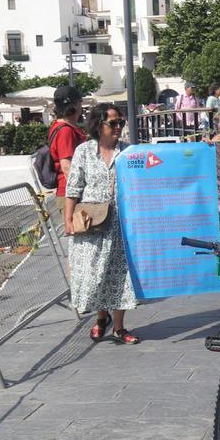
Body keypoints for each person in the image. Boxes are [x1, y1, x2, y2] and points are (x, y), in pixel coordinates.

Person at [63, 103, 140, 345]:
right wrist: (68, 220)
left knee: (120, 276)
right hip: (92, 223)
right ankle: (100, 317)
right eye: (113, 123)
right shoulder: (84, 151)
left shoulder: (127, 152)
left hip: (121, 225)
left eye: (121, 123)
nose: (118, 127)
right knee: (96, 274)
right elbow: (73, 187)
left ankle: (118, 327)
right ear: (99, 125)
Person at [48, 85, 88, 213]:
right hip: (71, 195)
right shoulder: (65, 131)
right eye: (80, 102)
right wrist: (80, 194)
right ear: (74, 105)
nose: (81, 106)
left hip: (70, 192)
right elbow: (67, 167)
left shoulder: (61, 126)